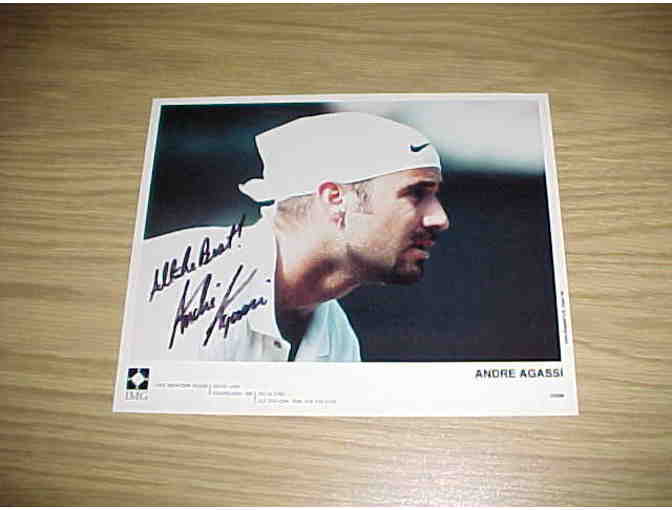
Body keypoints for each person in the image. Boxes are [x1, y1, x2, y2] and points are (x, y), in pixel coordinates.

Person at [134, 112, 449, 362]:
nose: (440, 219)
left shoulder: (338, 339)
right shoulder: (179, 287)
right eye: (416, 193)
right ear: (335, 199)